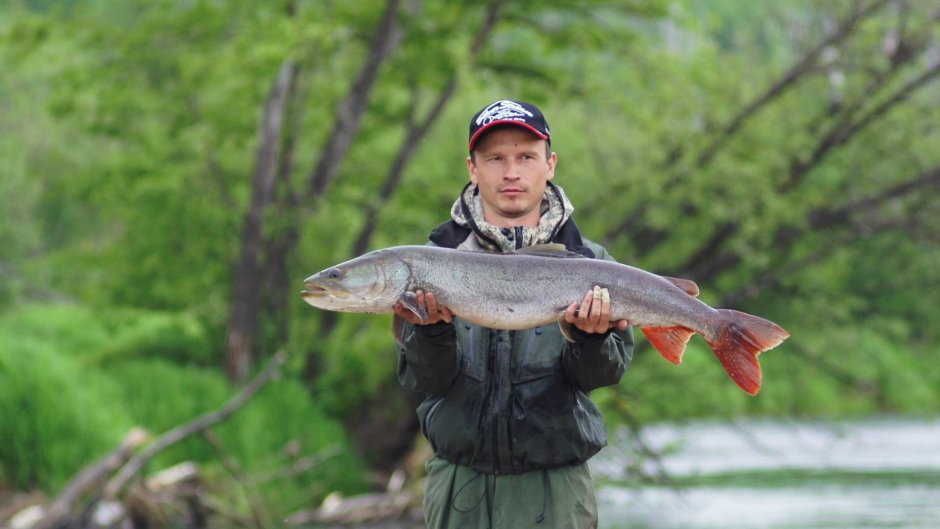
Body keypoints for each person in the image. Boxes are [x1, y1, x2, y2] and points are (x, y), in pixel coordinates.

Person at [393, 99, 633, 528]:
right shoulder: (432, 263)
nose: (511, 172)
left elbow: (602, 376)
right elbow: (423, 382)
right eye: (495, 158)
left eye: (525, 156)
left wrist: (592, 339)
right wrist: (430, 334)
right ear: (472, 168)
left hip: (555, 492)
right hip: (457, 488)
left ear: (550, 163)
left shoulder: (592, 262)